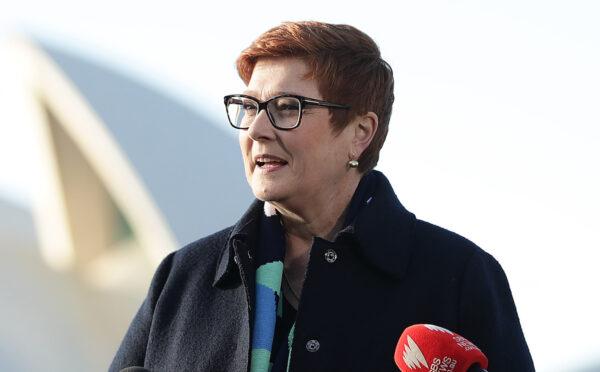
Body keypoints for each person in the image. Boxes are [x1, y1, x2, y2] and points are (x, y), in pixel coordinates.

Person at [110, 21, 534, 371]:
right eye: (249, 106)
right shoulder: (182, 279)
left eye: (287, 107)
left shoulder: (457, 277)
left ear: (359, 134)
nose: (257, 130)